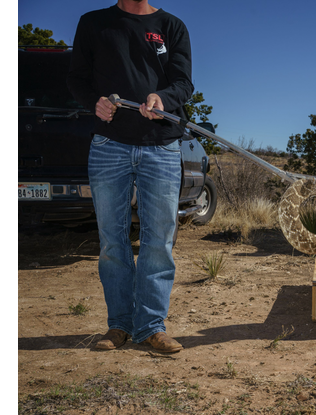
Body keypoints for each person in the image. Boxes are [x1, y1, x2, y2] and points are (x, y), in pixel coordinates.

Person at [67, 0, 194, 352]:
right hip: (109, 146)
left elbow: (184, 83)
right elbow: (77, 78)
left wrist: (163, 98)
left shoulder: (172, 26)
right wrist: (95, 102)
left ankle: (151, 326)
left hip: (162, 147)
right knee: (112, 240)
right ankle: (119, 326)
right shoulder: (94, 23)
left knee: (158, 240)